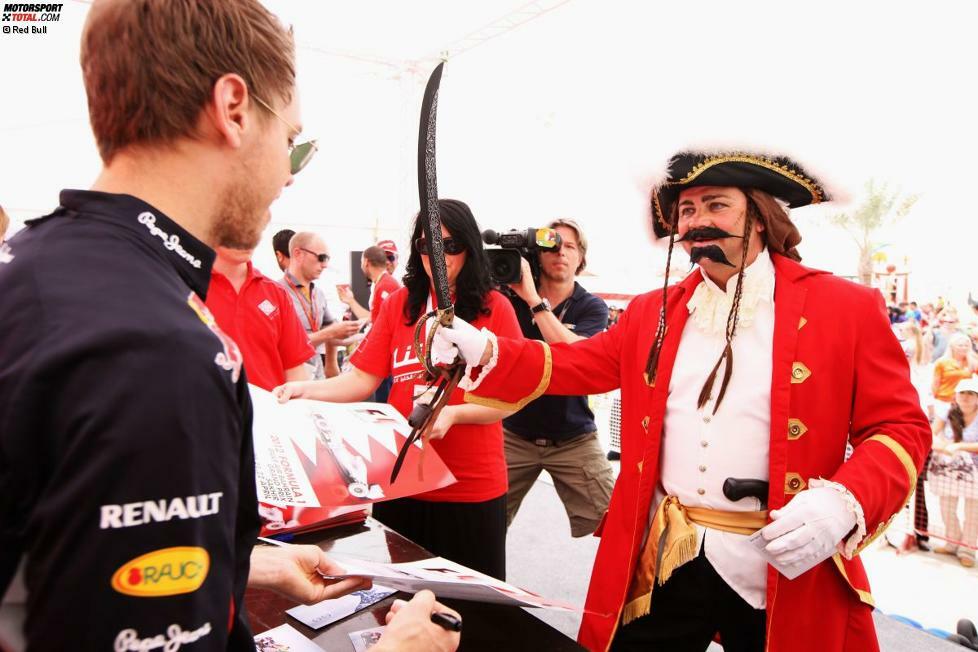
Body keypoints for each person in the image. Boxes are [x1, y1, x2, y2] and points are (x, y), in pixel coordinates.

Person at [0, 1, 458, 649]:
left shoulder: (36, 268)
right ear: (234, 107)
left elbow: (49, 558)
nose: (287, 176)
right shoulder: (156, 346)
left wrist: (233, 560)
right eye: (290, 139)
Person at [432, 150, 931, 651]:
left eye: (716, 205)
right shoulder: (655, 311)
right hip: (669, 551)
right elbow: (579, 364)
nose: (697, 222)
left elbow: (901, 428)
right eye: (687, 211)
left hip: (782, 563)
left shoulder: (844, 308)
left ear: (759, 216)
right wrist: (488, 349)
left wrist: (842, 503)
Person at [274, 199, 522, 580]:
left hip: (470, 489)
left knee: (477, 614)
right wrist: (304, 391)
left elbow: (512, 397)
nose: (437, 257)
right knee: (406, 601)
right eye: (427, 246)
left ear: (470, 247)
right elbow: (361, 379)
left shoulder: (495, 308)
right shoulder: (400, 305)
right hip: (402, 485)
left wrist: (454, 414)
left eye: (450, 246)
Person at [502, 218, 614, 536]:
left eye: (570, 246)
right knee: (482, 520)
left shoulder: (592, 306)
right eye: (551, 245)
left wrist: (534, 302)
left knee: (617, 522)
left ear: (581, 257)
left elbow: (578, 354)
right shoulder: (508, 298)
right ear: (536, 256)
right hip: (514, 433)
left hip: (573, 438)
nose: (560, 253)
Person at [206, 245, 313, 390]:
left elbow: (296, 372)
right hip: (206, 408)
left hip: (269, 408)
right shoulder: (185, 287)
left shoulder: (276, 293)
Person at [280, 231, 360, 379]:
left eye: (327, 259)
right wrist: (332, 333)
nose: (325, 265)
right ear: (298, 254)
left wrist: (360, 335)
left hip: (317, 377)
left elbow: (333, 334)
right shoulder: (277, 293)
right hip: (291, 382)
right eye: (321, 258)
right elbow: (286, 346)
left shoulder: (318, 294)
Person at [928, 378, 978, 567]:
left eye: (971, 394)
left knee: (973, 512)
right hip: (948, 470)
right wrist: (941, 446)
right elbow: (932, 434)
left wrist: (958, 446)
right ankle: (952, 542)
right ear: (956, 395)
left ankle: (967, 549)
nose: (965, 397)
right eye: (962, 393)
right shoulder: (947, 411)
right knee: (947, 507)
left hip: (975, 471)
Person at [932, 333, 977, 420]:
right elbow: (935, 384)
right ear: (952, 346)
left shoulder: (973, 362)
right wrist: (935, 400)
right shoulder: (942, 362)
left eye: (966, 345)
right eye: (960, 345)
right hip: (944, 401)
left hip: (964, 403)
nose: (964, 348)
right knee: (940, 429)